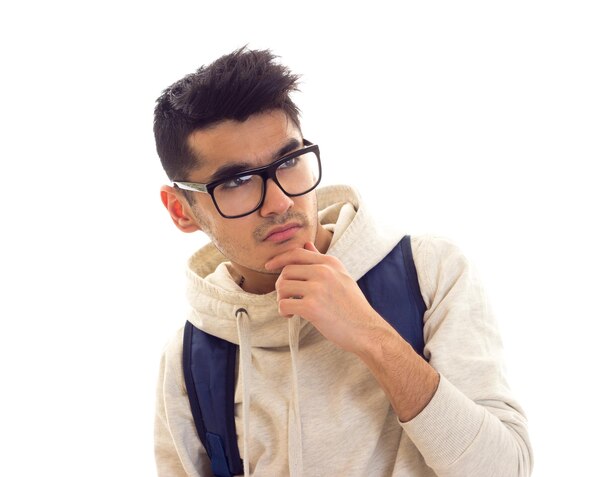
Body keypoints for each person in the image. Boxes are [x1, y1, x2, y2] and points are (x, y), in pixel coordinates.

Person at [153, 47, 533, 477]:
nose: (279, 202)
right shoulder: (192, 356)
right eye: (237, 181)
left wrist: (370, 335)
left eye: (289, 160)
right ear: (181, 210)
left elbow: (505, 470)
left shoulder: (428, 271)